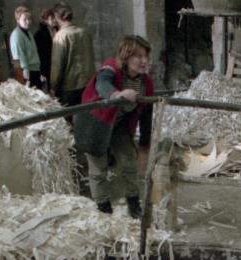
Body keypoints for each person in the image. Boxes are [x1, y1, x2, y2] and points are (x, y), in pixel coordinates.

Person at [75, 35, 154, 219]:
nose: (144, 61)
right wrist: (117, 95)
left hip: (119, 124)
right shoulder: (111, 68)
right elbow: (102, 84)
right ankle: (103, 207)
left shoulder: (146, 82)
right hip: (95, 122)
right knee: (98, 167)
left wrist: (144, 146)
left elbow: (146, 114)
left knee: (129, 163)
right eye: (139, 56)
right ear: (126, 56)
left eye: (146, 56)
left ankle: (133, 203)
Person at [50, 3, 95, 107]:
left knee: (69, 116)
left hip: (70, 87)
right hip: (88, 84)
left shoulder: (61, 36)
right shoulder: (85, 33)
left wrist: (53, 86)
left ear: (57, 16)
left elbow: (57, 65)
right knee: (85, 114)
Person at [9, 6, 42, 88]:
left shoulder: (29, 33)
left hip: (35, 69)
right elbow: (18, 54)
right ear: (18, 20)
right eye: (25, 19)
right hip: (27, 71)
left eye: (29, 19)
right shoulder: (17, 35)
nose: (28, 21)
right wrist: (25, 69)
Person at [34, 7, 58, 88]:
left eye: (55, 17)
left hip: (58, 62)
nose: (55, 20)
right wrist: (42, 71)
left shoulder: (58, 30)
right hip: (47, 65)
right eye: (52, 18)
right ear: (45, 20)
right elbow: (40, 53)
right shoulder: (39, 34)